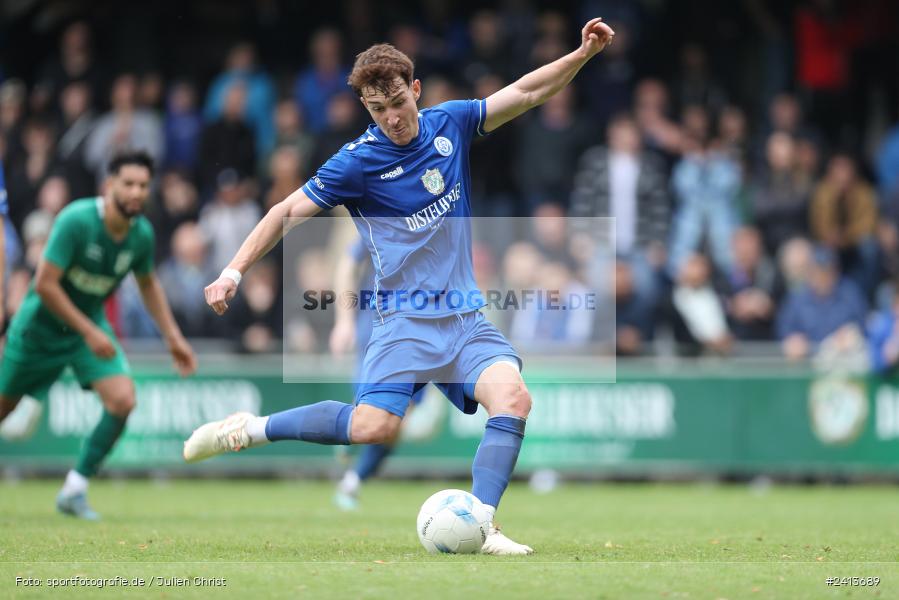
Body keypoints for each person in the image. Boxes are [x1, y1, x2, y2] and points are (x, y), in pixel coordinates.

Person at [184, 18, 616, 555]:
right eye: (377, 110)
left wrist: (581, 55)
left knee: (513, 398)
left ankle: (482, 524)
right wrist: (233, 271)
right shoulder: (356, 162)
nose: (391, 118)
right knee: (373, 428)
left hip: (463, 317)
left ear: (415, 90)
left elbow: (527, 92)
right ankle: (250, 428)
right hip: (404, 322)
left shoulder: (451, 122)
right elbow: (284, 212)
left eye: (397, 103)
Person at [0, 150, 197, 520]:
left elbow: (149, 284)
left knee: (123, 400)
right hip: (39, 330)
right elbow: (44, 285)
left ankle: (74, 489)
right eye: (129, 184)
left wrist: (173, 338)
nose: (136, 192)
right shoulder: (76, 220)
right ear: (109, 185)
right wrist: (91, 331)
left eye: (143, 185)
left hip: (86, 330)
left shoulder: (141, 235)